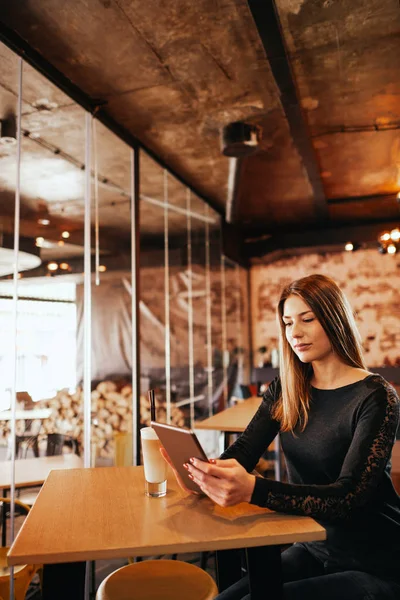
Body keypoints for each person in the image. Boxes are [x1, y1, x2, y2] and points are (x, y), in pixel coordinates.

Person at [162, 274, 400, 600]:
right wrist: (203, 472)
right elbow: (245, 451)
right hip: (313, 544)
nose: (295, 333)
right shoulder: (287, 388)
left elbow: (350, 497)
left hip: (374, 559)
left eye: (307, 319)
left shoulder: (376, 396)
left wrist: (253, 489)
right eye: (288, 323)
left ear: (335, 319)